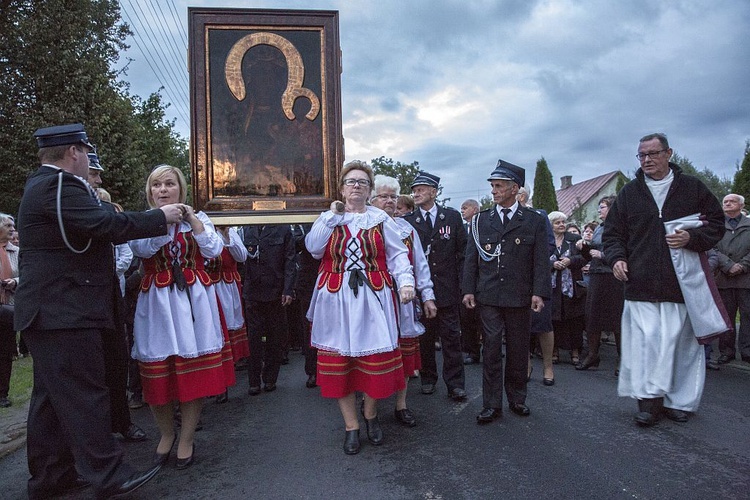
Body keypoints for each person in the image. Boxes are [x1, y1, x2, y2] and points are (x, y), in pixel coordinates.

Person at [15, 124, 183, 498]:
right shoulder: (60, 186)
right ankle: (108, 475)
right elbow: (105, 224)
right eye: (86, 152)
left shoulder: (43, 185)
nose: (89, 159)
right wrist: (161, 217)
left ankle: (50, 477)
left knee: (49, 402)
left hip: (52, 312)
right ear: (74, 152)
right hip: (64, 312)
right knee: (86, 395)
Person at [603, 132, 724, 427]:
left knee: (680, 346)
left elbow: (717, 224)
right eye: (641, 155)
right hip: (640, 284)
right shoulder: (630, 193)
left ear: (669, 153)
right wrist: (617, 258)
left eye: (653, 154)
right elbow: (613, 234)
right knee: (646, 345)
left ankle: (679, 401)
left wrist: (692, 237)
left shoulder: (692, 188)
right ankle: (648, 403)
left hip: (680, 285)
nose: (647, 160)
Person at [305, 160, 415, 455]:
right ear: (341, 188)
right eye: (351, 181)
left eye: (363, 182)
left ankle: (370, 413)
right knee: (341, 363)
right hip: (335, 299)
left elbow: (398, 255)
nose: (356, 186)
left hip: (373, 298)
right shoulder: (330, 217)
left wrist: (406, 282)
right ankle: (351, 425)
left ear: (370, 191)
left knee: (373, 359)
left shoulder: (380, 218)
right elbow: (313, 248)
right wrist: (331, 216)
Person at [130, 164, 235, 470]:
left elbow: (215, 250)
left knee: (192, 374)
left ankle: (186, 438)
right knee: (157, 370)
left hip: (194, 302)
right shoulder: (144, 220)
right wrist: (162, 221)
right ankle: (165, 435)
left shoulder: (199, 218)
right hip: (157, 303)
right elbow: (142, 250)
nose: (162, 190)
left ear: (181, 189)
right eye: (156, 185)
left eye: (169, 184)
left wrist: (190, 219)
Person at [463, 160, 550, 423]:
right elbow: (471, 259)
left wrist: (539, 292)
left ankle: (517, 398)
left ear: (515, 188)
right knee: (490, 348)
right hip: (488, 295)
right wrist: (468, 290)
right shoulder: (481, 221)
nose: (494, 191)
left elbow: (540, 260)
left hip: (519, 295)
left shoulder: (533, 220)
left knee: (518, 348)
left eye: (499, 186)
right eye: (492, 186)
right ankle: (491, 404)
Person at [88, 157, 147, 444]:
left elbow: (123, 250)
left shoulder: (104, 209)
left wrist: (114, 273)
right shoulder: (74, 206)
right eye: (93, 174)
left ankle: (122, 422)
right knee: (90, 371)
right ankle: (95, 435)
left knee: (117, 359)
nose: (99, 181)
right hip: (82, 303)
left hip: (113, 294)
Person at [370, 175, 437, 427]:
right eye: (384, 196)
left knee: (405, 352)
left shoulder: (407, 229)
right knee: (374, 353)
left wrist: (427, 296)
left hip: (402, 300)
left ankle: (401, 405)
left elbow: (420, 265)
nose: (389, 201)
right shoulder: (360, 225)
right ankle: (371, 409)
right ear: (372, 198)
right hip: (372, 300)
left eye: (393, 197)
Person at [403, 171, 468, 400]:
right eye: (415, 190)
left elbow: (463, 252)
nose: (416, 193)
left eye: (421, 189)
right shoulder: (409, 221)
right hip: (421, 290)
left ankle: (455, 384)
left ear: (434, 191)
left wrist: (463, 284)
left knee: (451, 338)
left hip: (448, 289)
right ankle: (428, 378)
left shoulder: (451, 217)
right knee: (425, 338)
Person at [241, 223, 296, 395]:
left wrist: (288, 289)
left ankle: (270, 378)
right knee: (253, 338)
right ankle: (254, 381)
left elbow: (290, 259)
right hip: (253, 290)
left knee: (275, 336)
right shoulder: (245, 228)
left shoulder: (283, 228)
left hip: (275, 289)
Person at [577, 196, 624, 373]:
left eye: (602, 207)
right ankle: (592, 355)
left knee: (617, 320)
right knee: (592, 317)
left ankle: (623, 359)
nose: (599, 210)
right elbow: (591, 255)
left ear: (612, 209)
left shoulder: (622, 227)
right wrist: (585, 249)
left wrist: (603, 256)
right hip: (597, 276)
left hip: (614, 277)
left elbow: (625, 251)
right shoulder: (599, 229)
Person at [516, 186, 557, 386]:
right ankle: (526, 364)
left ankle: (548, 366)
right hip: (515, 281)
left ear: (521, 196)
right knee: (520, 325)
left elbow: (550, 245)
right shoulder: (506, 217)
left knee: (543, 324)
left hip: (537, 277)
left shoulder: (538, 215)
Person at [206, 226, 249, 403]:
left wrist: (225, 235)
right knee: (210, 333)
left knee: (224, 333)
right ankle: (212, 381)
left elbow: (242, 256)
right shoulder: (201, 227)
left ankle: (222, 382)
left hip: (226, 286)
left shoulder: (230, 231)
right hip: (207, 285)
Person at [714, 194, 750, 364]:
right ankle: (726, 351)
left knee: (748, 316)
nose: (727, 204)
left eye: (732, 201)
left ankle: (747, 350)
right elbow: (712, 248)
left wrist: (743, 265)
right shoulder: (717, 226)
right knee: (726, 317)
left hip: (746, 279)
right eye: (725, 202)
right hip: (724, 278)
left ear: (741, 205)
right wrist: (728, 265)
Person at [548, 211, 587, 365]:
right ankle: (554, 350)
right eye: (558, 223)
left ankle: (575, 351)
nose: (562, 225)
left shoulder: (574, 239)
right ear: (551, 226)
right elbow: (537, 260)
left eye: (563, 222)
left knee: (574, 320)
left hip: (572, 287)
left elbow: (586, 257)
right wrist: (552, 264)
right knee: (554, 320)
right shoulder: (546, 240)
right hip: (553, 287)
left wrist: (570, 260)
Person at [459, 199, 482, 365]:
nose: (462, 211)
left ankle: (490, 349)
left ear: (475, 209)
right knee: (467, 317)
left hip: (484, 279)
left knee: (485, 318)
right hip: (465, 277)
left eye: (465, 208)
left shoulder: (485, 225)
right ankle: (471, 351)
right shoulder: (461, 228)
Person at [0, 213, 19, 408]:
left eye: (13, 225)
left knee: (5, 352)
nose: (12, 228)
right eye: (7, 225)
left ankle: (2, 393)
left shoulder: (16, 252)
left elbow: (27, 274)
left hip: (9, 308)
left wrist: (15, 282)